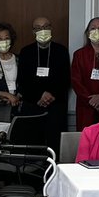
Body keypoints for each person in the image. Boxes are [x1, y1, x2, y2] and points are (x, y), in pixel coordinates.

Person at [16, 16, 70, 150]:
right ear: (33, 32)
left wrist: (51, 95)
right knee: (33, 144)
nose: (43, 30)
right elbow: (22, 81)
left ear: (51, 29)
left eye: (46, 27)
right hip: (33, 105)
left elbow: (65, 79)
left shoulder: (61, 51)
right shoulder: (26, 52)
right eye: (38, 28)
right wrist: (39, 96)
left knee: (55, 144)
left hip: (56, 105)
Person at [71, 18, 99, 130]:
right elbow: (75, 81)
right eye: (93, 28)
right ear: (87, 33)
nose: (97, 31)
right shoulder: (79, 54)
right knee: (87, 140)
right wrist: (91, 101)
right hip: (85, 106)